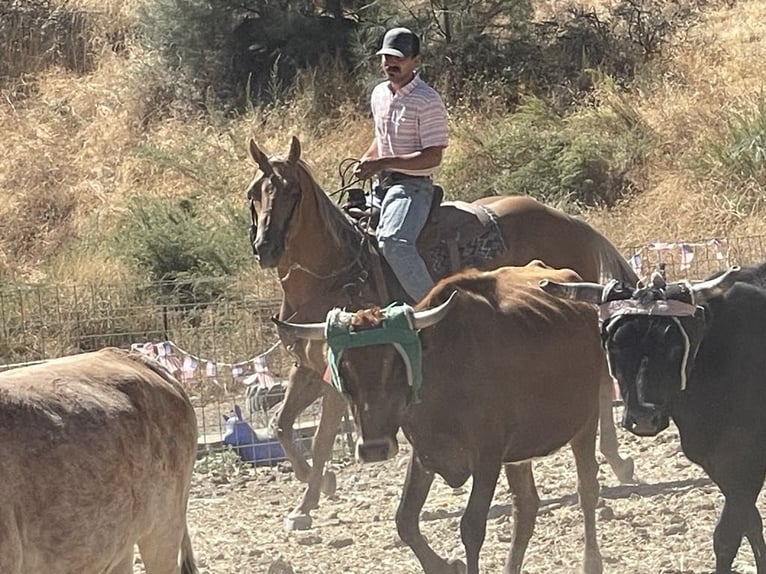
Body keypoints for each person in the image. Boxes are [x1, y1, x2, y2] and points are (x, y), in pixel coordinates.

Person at [354, 27, 449, 303]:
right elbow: (381, 138)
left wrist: (384, 162)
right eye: (386, 57)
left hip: (413, 187)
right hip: (380, 185)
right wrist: (369, 158)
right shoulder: (379, 94)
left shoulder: (427, 100)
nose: (390, 63)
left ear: (415, 60)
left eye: (398, 58)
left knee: (394, 243)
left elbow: (433, 156)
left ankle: (434, 308)